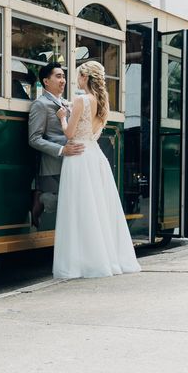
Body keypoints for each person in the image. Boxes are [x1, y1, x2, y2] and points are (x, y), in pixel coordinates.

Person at [53, 61, 141, 278]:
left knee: (78, 209)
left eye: (77, 76)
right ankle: (101, 260)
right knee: (97, 209)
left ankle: (81, 262)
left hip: (79, 156)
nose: (75, 80)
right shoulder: (102, 102)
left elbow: (70, 133)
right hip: (95, 155)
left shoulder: (81, 99)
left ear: (84, 77)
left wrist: (62, 118)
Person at [28, 62, 85, 228]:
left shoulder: (67, 103)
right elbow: (34, 139)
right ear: (46, 81)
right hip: (53, 165)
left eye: (64, 76)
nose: (63, 80)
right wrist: (61, 149)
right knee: (62, 204)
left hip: (71, 162)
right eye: (58, 76)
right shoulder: (40, 104)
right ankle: (39, 198)